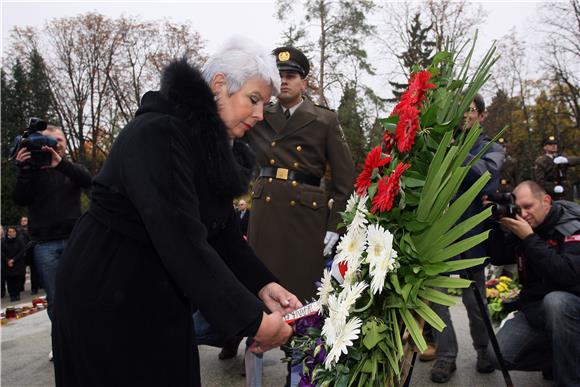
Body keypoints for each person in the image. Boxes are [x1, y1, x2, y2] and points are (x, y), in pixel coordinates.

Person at [52, 36, 301, 387]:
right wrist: (253, 322)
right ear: (219, 86)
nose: (260, 115)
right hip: (108, 291)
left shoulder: (212, 149)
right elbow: (182, 240)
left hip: (158, 291)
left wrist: (263, 286)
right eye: (254, 99)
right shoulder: (159, 133)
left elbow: (223, 233)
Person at [245, 46, 355, 302]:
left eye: (291, 76)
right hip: (266, 208)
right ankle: (248, 336)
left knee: (301, 288)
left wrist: (335, 225)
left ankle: (298, 340)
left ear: (304, 82)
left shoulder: (325, 120)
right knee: (257, 282)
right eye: (279, 75)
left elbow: (344, 178)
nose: (283, 81)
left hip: (305, 213)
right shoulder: (259, 114)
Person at [430, 93, 505, 383]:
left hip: (471, 235)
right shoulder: (440, 141)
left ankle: (483, 350)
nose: (465, 115)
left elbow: (488, 176)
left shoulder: (491, 147)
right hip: (437, 236)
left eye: (471, 110)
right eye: (461, 110)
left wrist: (455, 154)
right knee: (437, 300)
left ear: (482, 116)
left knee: (475, 302)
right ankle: (445, 356)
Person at [486, 181, 580, 386]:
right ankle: (562, 358)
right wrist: (496, 224)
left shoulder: (572, 225)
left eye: (529, 207)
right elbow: (498, 257)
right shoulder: (527, 226)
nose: (524, 214)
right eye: (519, 209)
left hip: (573, 310)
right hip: (537, 312)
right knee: (497, 355)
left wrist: (529, 238)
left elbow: (567, 275)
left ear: (546, 201)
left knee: (557, 301)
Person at [13, 123, 92, 360]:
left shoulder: (71, 168)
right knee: (56, 297)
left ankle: (87, 338)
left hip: (74, 239)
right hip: (45, 244)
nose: (57, 144)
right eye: (51, 140)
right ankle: (62, 340)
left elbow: (89, 182)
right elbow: (19, 198)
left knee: (82, 292)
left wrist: (63, 165)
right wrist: (24, 169)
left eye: (61, 140)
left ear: (66, 144)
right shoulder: (32, 171)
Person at [534, 135, 579, 201]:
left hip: (566, 191)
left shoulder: (561, 156)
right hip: (552, 194)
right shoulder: (540, 161)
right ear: (544, 147)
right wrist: (553, 188)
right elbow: (540, 182)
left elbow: (577, 160)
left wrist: (567, 160)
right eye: (550, 144)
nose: (554, 146)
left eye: (555, 144)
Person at [1, 226, 27, 301]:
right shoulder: (3, 241)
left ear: (16, 232)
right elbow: (1, 252)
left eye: (13, 231)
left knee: (17, 280)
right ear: (7, 232)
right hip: (7, 264)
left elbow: (22, 251)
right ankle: (12, 295)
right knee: (9, 281)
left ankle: (17, 294)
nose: (11, 233)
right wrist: (7, 260)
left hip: (17, 263)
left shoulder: (19, 241)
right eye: (10, 231)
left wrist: (14, 260)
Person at [17, 215, 39, 294]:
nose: (24, 222)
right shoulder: (18, 231)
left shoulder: (32, 230)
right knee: (21, 271)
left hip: (31, 252)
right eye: (22, 220)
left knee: (34, 271)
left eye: (25, 220)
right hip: (22, 253)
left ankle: (34, 288)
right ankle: (20, 287)